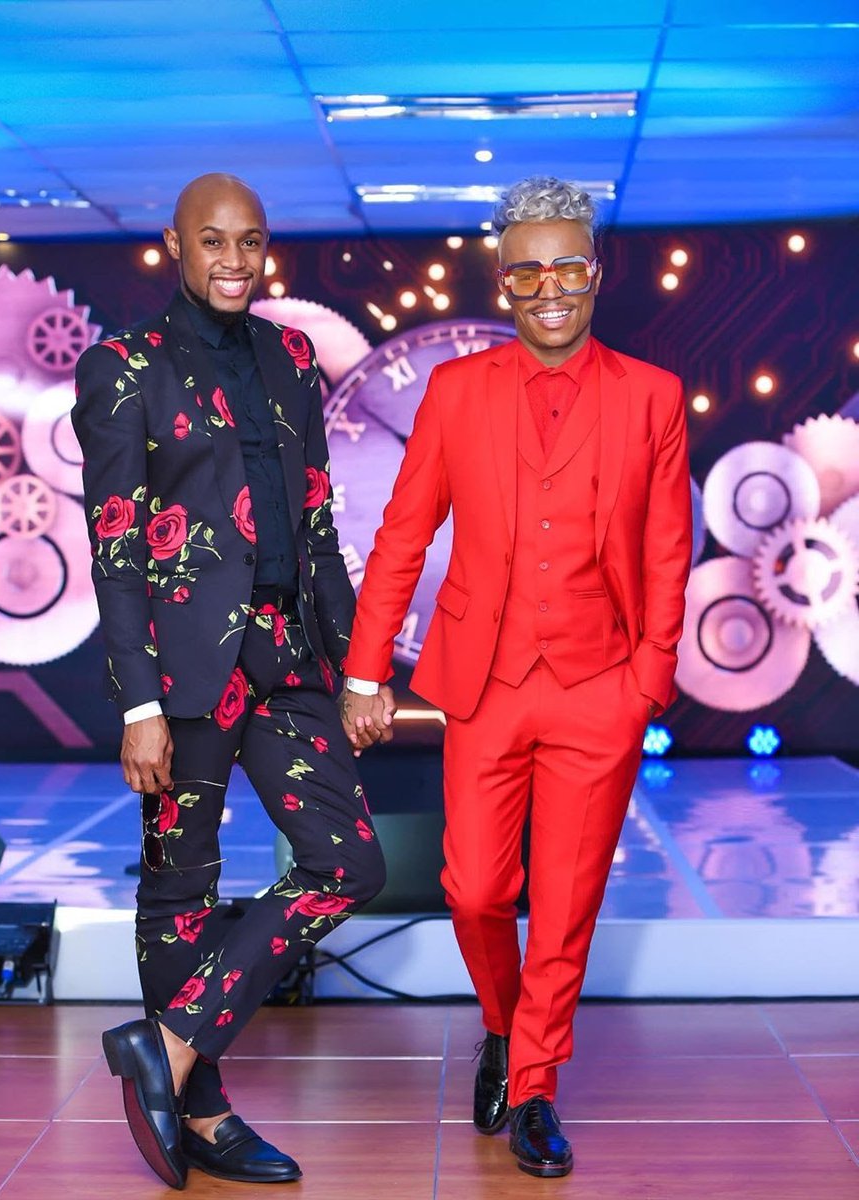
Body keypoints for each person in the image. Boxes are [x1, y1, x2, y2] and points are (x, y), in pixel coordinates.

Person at [339, 176, 692, 1178]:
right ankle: (503, 1021)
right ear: (503, 281)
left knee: (567, 902)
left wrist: (648, 682)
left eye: (566, 266)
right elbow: (402, 534)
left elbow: (668, 550)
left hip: (601, 685)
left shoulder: (653, 396)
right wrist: (365, 671)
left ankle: (535, 1084)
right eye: (527, 270)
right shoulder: (457, 392)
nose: (549, 288)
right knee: (476, 888)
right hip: (485, 682)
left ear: (596, 272)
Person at [72, 173, 389, 1190]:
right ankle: (201, 1110)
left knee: (348, 864)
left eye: (249, 241)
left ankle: (165, 1047)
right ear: (176, 246)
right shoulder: (122, 367)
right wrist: (138, 704)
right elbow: (117, 549)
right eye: (212, 241)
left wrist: (359, 668)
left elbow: (319, 524)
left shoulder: (291, 357)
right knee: (180, 888)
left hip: (287, 656)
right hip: (180, 675)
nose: (233, 261)